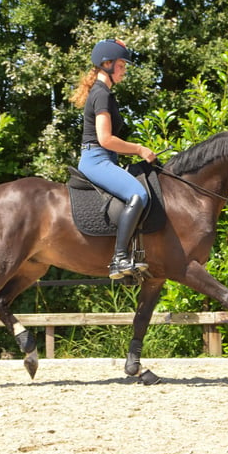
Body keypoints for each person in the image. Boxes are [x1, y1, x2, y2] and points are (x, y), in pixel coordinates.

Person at [70, 38, 157, 279]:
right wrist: (139, 149)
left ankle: (133, 253)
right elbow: (105, 139)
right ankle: (119, 258)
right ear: (106, 64)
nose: (124, 71)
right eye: (121, 65)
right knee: (137, 194)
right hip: (96, 158)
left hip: (104, 158)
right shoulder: (101, 95)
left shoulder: (104, 93)